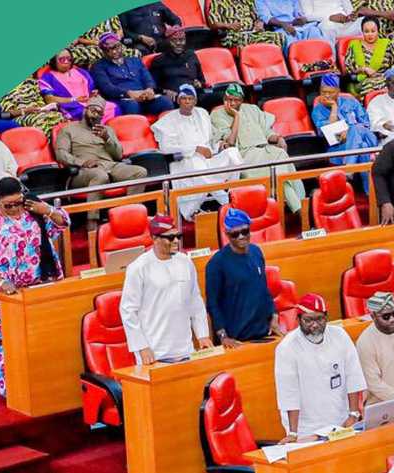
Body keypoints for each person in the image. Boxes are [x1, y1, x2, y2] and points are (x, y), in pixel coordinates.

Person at [0, 177, 69, 397]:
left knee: (42, 331)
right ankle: (8, 385)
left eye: (18, 202)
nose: (15, 208)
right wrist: (2, 282)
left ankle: (42, 378)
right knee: (2, 337)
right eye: (9, 205)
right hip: (5, 290)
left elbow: (63, 224)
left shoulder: (33, 208)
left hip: (39, 282)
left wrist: (47, 210)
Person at [120, 215, 212, 365]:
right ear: (155, 238)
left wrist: (202, 335)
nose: (176, 241)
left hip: (185, 350)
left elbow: (195, 301)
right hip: (154, 353)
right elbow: (128, 311)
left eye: (178, 236)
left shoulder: (185, 262)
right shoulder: (138, 268)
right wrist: (141, 347)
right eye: (170, 238)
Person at [274, 293, 366, 440]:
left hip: (342, 420)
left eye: (319, 319)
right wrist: (293, 433)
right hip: (306, 428)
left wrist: (354, 413)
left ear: (326, 317)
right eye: (308, 320)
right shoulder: (287, 348)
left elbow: (353, 375)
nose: (314, 325)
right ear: (298, 320)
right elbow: (289, 393)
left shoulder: (340, 335)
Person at [151, 84, 243, 219]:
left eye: (190, 98)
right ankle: (227, 203)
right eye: (184, 98)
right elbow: (165, 147)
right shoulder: (169, 120)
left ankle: (233, 193)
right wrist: (195, 149)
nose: (187, 102)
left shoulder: (202, 113)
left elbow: (211, 140)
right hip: (186, 160)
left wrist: (219, 145)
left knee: (233, 153)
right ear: (178, 100)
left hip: (209, 157)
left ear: (195, 101)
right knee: (198, 165)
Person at [211, 84, 305, 213]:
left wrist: (278, 138)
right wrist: (236, 116)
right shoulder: (217, 115)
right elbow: (231, 142)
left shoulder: (252, 109)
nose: (232, 103)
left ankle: (300, 207)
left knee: (283, 163)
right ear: (224, 99)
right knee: (280, 179)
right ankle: (301, 212)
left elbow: (267, 132)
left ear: (242, 100)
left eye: (236, 100)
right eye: (228, 99)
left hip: (266, 150)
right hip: (245, 155)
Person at [206, 209, 283, 347]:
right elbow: (213, 304)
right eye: (235, 234)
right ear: (227, 234)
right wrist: (223, 337)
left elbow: (264, 289)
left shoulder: (256, 251)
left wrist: (273, 314)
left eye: (245, 231)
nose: (241, 236)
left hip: (264, 334)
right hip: (236, 340)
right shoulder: (216, 263)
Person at [54, 97, 148, 204]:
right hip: (83, 171)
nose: (95, 115)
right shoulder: (68, 129)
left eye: (99, 113)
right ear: (85, 110)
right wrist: (81, 163)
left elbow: (118, 155)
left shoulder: (107, 130)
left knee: (140, 172)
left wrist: (107, 138)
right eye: (93, 110)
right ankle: (92, 219)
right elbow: (61, 154)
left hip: (110, 166)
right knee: (100, 175)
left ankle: (131, 211)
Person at [311, 74, 379, 182]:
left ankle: (349, 169)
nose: (327, 96)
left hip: (367, 137)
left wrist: (349, 130)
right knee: (362, 148)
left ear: (338, 91)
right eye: (323, 92)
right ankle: (369, 193)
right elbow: (332, 136)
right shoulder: (318, 111)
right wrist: (334, 108)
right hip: (340, 146)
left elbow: (366, 124)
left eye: (331, 92)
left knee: (355, 129)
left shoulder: (351, 102)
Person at [91, 33, 175, 117]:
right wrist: (128, 93)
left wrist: (149, 90)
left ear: (121, 45)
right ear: (102, 51)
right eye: (107, 49)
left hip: (144, 97)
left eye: (116, 47)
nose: (113, 51)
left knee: (165, 102)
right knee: (132, 105)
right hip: (123, 99)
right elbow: (107, 88)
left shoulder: (135, 60)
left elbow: (148, 79)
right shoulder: (99, 66)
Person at [39, 49, 119, 124]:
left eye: (69, 59)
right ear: (54, 61)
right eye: (62, 59)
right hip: (70, 106)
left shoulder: (81, 72)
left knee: (114, 107)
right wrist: (74, 99)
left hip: (89, 102)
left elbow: (91, 91)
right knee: (89, 112)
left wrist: (93, 94)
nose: (66, 61)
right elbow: (49, 99)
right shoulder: (47, 77)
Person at [0, 78, 68, 137]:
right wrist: (24, 111)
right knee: (40, 122)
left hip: (40, 111)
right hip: (22, 115)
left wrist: (46, 108)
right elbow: (3, 115)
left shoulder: (29, 82)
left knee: (59, 118)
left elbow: (39, 99)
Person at [149, 29, 206, 100]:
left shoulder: (191, 55)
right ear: (168, 41)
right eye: (174, 40)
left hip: (194, 94)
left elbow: (202, 80)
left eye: (182, 40)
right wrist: (165, 92)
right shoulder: (159, 60)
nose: (178, 43)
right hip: (174, 96)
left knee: (219, 96)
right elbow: (152, 86)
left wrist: (199, 84)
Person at [345, 18, 394, 96]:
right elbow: (348, 68)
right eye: (366, 31)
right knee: (371, 85)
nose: (370, 34)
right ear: (362, 32)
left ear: (378, 31)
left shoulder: (386, 44)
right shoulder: (354, 45)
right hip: (362, 82)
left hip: (384, 79)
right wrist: (364, 69)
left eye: (373, 31)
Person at [208, 0, 285, 49]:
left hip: (253, 32)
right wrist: (228, 25)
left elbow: (257, 17)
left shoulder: (248, 1)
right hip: (233, 36)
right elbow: (212, 23)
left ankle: (271, 68)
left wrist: (259, 23)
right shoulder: (218, 2)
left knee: (279, 37)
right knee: (250, 39)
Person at [70, 16, 140, 69]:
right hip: (93, 46)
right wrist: (95, 42)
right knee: (74, 55)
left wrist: (114, 40)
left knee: (135, 53)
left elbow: (120, 32)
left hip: (113, 44)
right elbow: (79, 39)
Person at [256, 0, 330, 48]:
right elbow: (267, 18)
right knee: (288, 38)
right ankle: (302, 67)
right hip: (281, 28)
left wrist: (300, 19)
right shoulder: (260, 1)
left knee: (314, 31)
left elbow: (298, 13)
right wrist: (283, 24)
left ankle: (322, 66)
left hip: (297, 26)